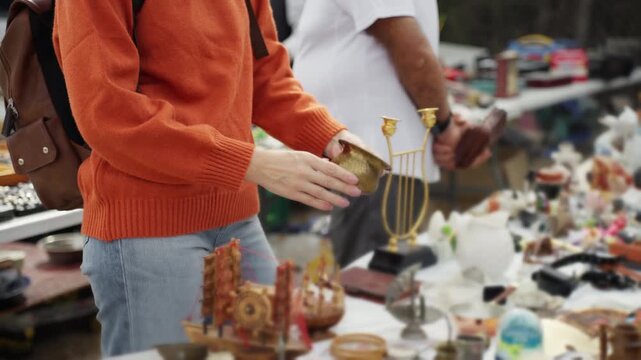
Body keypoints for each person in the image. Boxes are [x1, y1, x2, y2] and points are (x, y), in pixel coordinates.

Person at [53, 0, 365, 356]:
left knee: (278, 348)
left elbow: (265, 76)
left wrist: (328, 136)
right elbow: (108, 113)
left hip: (235, 216)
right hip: (147, 226)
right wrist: (252, 164)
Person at [293, 0, 491, 266]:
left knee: (372, 283)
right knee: (370, 279)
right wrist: (444, 124)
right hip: (368, 158)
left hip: (374, 161)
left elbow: (413, 53)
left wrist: (444, 125)